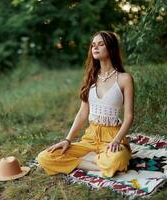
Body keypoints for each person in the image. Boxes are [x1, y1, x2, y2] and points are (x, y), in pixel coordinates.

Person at [37, 30, 134, 177]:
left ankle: (88, 160)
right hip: (90, 137)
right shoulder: (90, 78)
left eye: (101, 44)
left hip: (112, 135)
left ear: (111, 48)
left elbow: (129, 116)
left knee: (117, 159)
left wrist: (116, 140)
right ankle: (95, 161)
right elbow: (82, 114)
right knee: (44, 157)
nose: (95, 47)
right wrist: (67, 140)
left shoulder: (124, 79)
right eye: (93, 45)